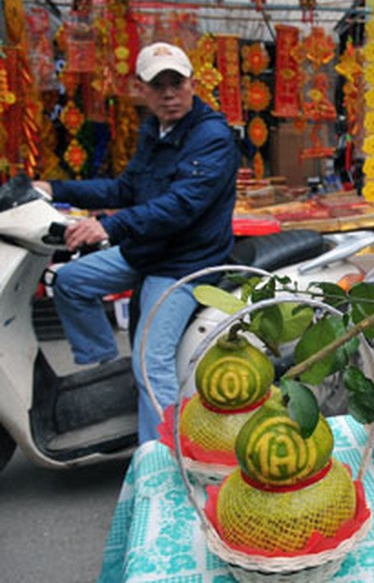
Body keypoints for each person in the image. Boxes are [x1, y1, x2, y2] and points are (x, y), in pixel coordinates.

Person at [33, 42, 239, 443]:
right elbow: (126, 188)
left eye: (176, 83)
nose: (168, 93)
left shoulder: (210, 136)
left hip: (184, 263)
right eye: (157, 84)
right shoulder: (156, 131)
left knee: (151, 362)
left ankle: (166, 458)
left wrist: (109, 226)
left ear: (192, 84)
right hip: (147, 248)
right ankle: (104, 368)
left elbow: (181, 205)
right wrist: (54, 187)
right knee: (70, 281)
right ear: (141, 90)